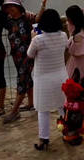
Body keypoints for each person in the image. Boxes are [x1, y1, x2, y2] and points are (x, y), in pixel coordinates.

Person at [0, 0, 47, 123]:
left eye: (13, 6)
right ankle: (31, 103)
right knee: (27, 78)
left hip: (28, 54)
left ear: (19, 7)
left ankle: (14, 112)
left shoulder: (27, 17)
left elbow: (38, 18)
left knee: (22, 80)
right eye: (8, 7)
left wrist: (43, 5)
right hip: (16, 55)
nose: (10, 9)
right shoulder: (8, 21)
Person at [27, 9, 68, 151]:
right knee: (63, 105)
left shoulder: (38, 40)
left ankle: (44, 139)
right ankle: (67, 132)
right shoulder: (63, 35)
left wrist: (32, 37)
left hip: (43, 78)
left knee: (43, 109)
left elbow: (30, 54)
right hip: (61, 76)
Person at [65, 5, 84, 79]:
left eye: (68, 19)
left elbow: (72, 51)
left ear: (71, 20)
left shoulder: (77, 37)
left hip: (80, 64)